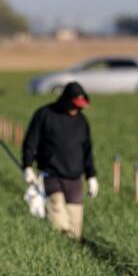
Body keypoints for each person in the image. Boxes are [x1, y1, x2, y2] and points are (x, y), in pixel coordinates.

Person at [21, 81, 98, 239]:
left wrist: (91, 176)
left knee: (75, 228)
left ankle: (72, 257)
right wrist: (27, 166)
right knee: (59, 220)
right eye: (75, 105)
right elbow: (30, 141)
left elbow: (87, 150)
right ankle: (59, 246)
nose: (77, 109)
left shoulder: (82, 121)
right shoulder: (45, 114)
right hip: (52, 175)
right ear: (66, 100)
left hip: (75, 179)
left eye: (80, 106)